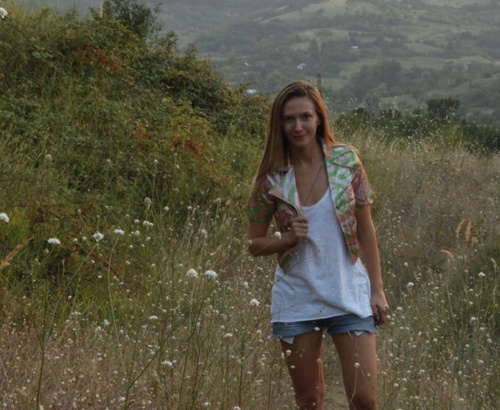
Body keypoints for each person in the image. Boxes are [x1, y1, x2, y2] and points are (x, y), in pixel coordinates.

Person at [246, 81, 389, 409]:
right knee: (309, 400)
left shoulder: (346, 161)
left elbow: (366, 229)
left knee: (365, 399)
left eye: (305, 117)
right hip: (297, 298)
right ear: (279, 125)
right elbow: (254, 244)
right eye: (289, 119)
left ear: (319, 118)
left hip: (348, 292)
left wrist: (377, 290)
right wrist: (286, 238)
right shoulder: (270, 178)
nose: (298, 126)